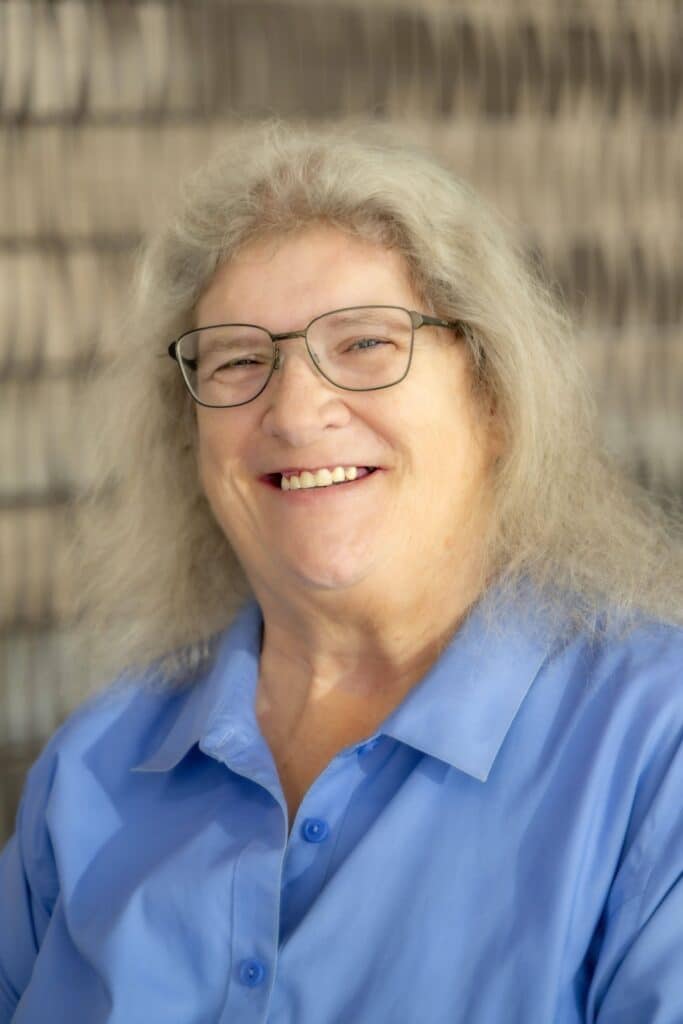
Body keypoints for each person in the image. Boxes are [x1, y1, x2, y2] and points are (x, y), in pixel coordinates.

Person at [1, 121, 682, 1024]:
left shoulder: (653, 747)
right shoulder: (93, 767)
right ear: (191, 438)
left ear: (494, 399)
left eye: (364, 343)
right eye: (241, 360)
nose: (294, 409)